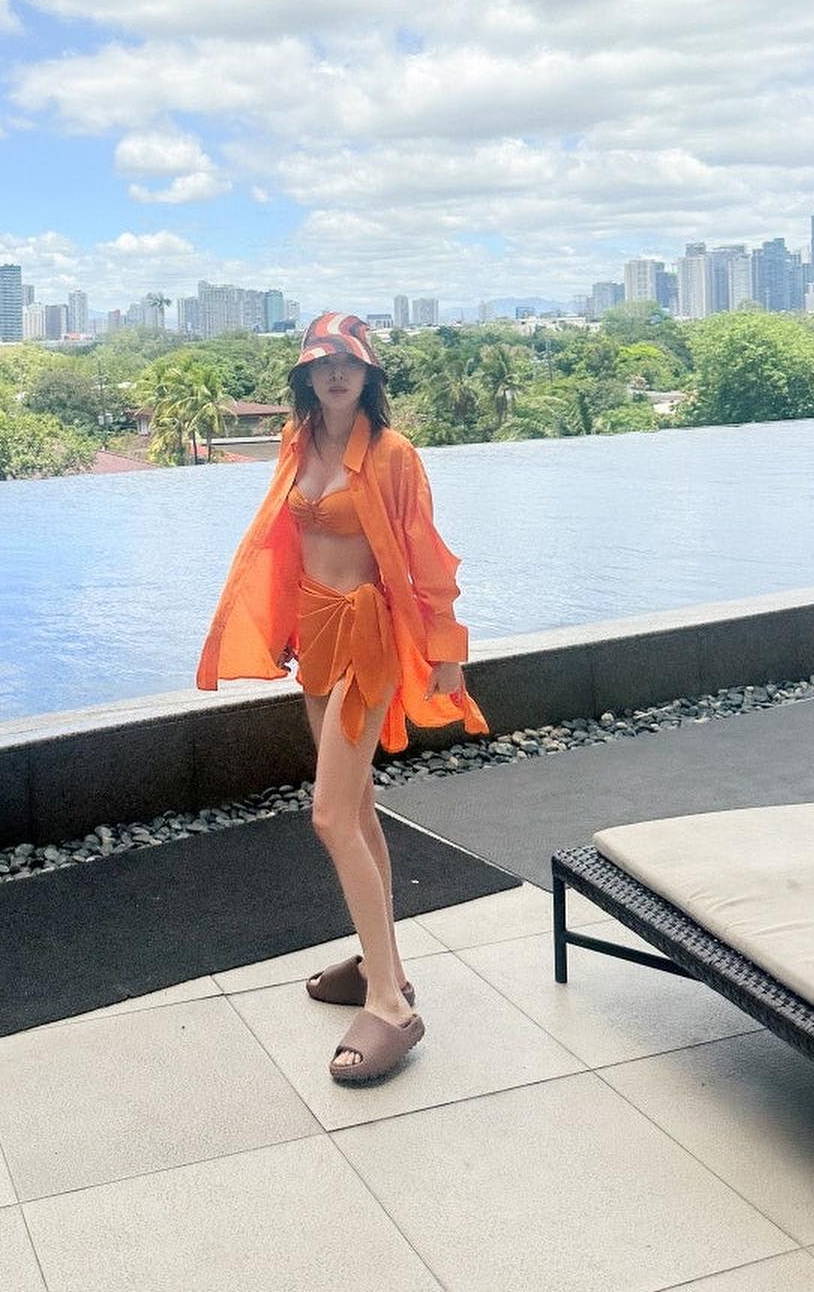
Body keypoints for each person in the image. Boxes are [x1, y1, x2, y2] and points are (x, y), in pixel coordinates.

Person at [197, 312, 488, 1084]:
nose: (335, 375)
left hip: (368, 641)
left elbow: (426, 558)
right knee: (357, 809)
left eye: (349, 364)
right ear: (305, 376)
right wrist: (282, 626)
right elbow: (282, 543)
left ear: (368, 376)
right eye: (322, 364)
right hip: (317, 638)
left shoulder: (392, 456)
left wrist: (446, 652)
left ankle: (390, 1002)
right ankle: (379, 962)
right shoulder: (298, 444)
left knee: (328, 814)